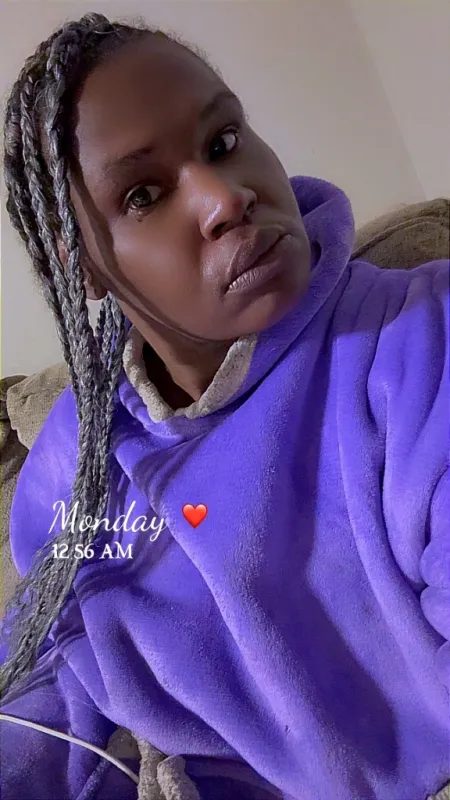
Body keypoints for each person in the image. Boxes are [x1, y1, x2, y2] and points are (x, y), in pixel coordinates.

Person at [0, 12, 448, 800]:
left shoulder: (418, 338)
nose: (225, 198)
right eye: (143, 194)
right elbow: (49, 685)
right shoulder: (79, 452)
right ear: (85, 270)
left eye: (223, 141)